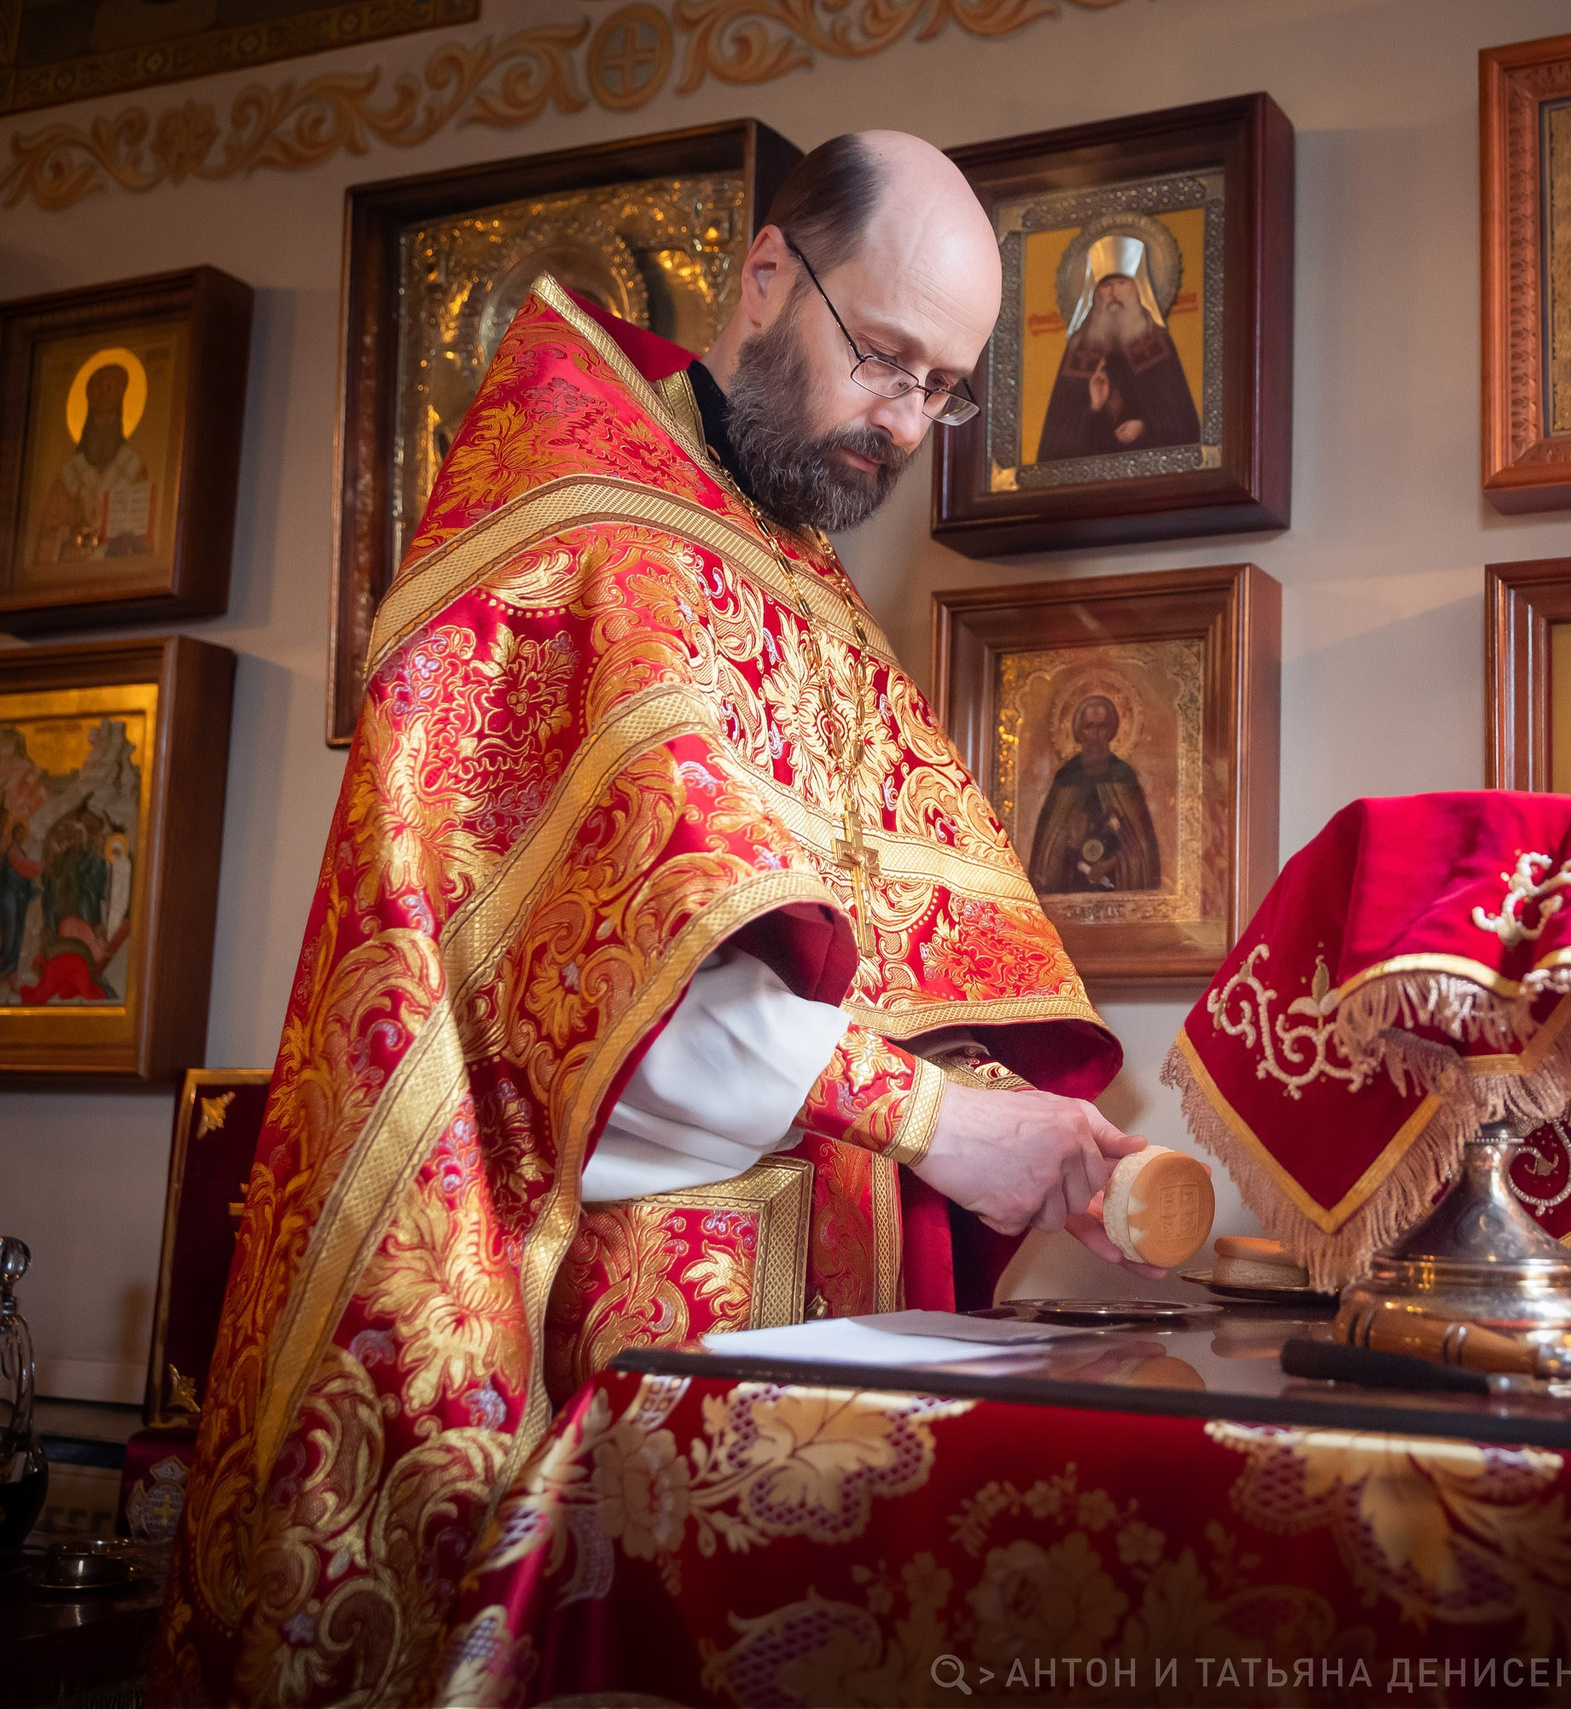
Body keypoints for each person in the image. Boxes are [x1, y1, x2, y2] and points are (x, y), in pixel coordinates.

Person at [158, 132, 1161, 1706]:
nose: (902, 424)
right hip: (601, 1357)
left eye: (942, 389)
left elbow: (873, 967)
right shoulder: (586, 530)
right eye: (885, 358)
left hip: (813, 1359)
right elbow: (577, 1023)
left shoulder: (803, 581)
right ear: (769, 275)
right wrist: (938, 1126)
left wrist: (1003, 1114)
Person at [1036, 235, 1200, 459]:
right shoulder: (1081, 350)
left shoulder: (1156, 344)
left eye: (1122, 282)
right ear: (1095, 294)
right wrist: (1094, 408)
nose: (1114, 291)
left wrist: (1144, 427)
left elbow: (1181, 425)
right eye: (1106, 284)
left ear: (1137, 288)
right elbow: (1057, 443)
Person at [1026, 694, 1162, 893]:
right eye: (1089, 727)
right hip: (1072, 883)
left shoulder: (1123, 776)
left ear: (1112, 730)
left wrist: (1110, 864)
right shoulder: (1066, 778)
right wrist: (1070, 838)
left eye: (1103, 726)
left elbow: (1141, 846)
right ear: (1079, 731)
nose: (1096, 735)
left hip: (1116, 884)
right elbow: (1048, 848)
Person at [35, 359, 154, 562]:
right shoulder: (69, 475)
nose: (102, 430)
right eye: (97, 422)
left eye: (108, 421)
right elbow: (48, 536)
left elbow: (143, 541)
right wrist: (67, 535)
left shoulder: (132, 470)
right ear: (87, 421)